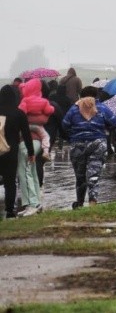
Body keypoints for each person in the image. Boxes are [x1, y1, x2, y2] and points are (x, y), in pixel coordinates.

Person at [62, 86, 116, 208]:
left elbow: (65, 124)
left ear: (81, 96)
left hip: (78, 144)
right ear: (96, 96)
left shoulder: (74, 109)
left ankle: (80, 202)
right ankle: (93, 202)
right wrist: (106, 129)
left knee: (80, 176)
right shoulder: (102, 108)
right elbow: (115, 122)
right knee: (93, 174)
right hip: (98, 143)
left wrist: (73, 136)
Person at [0, 85, 35, 218]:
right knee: (10, 182)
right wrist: (31, 152)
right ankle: (9, 211)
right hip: (11, 151)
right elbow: (26, 135)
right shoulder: (19, 113)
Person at [17, 79, 54, 163]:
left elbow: (21, 112)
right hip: (38, 127)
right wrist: (52, 108)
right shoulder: (44, 101)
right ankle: (45, 151)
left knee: (18, 136)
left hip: (26, 126)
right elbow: (48, 111)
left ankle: (16, 148)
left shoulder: (25, 100)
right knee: (45, 136)